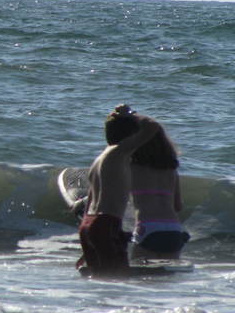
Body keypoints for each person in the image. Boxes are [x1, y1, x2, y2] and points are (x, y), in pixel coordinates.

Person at [77, 104, 160, 276]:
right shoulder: (119, 152)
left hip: (88, 225)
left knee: (100, 280)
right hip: (106, 224)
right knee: (118, 279)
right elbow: (153, 127)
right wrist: (131, 114)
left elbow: (90, 200)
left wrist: (89, 243)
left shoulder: (99, 160)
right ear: (130, 135)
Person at [129, 126, 189, 260]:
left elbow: (116, 198)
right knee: (166, 273)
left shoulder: (131, 168)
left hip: (148, 228)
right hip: (174, 229)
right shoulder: (171, 171)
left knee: (139, 272)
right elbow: (178, 206)